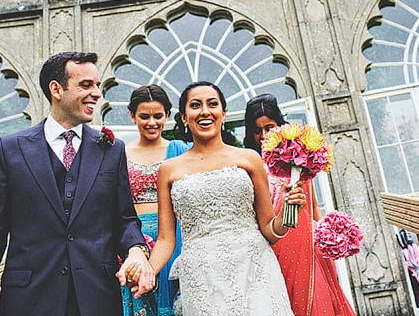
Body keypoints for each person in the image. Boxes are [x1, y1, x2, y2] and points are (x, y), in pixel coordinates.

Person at [0, 52, 155, 316]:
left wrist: (136, 250)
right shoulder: (10, 149)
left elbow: (124, 219)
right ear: (56, 89)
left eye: (97, 85)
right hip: (28, 300)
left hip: (98, 299)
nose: (96, 93)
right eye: (86, 85)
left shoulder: (111, 149)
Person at [127, 81, 306, 315]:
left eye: (212, 104)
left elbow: (270, 230)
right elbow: (165, 240)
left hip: (255, 271)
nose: (204, 111)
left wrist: (287, 211)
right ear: (183, 117)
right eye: (195, 105)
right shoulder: (169, 170)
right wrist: (147, 271)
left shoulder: (249, 158)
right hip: (202, 279)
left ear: (223, 112)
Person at [244, 93, 356, 316]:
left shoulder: (299, 161)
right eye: (258, 130)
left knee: (319, 306)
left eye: (270, 127)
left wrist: (330, 236)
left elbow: (313, 208)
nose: (264, 135)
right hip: (273, 250)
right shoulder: (250, 166)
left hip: (309, 250)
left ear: (281, 125)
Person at [122, 84, 190, 316]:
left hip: (174, 238)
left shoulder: (181, 151)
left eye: (158, 116)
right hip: (134, 239)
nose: (152, 122)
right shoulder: (120, 154)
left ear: (168, 115)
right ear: (132, 116)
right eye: (144, 116)